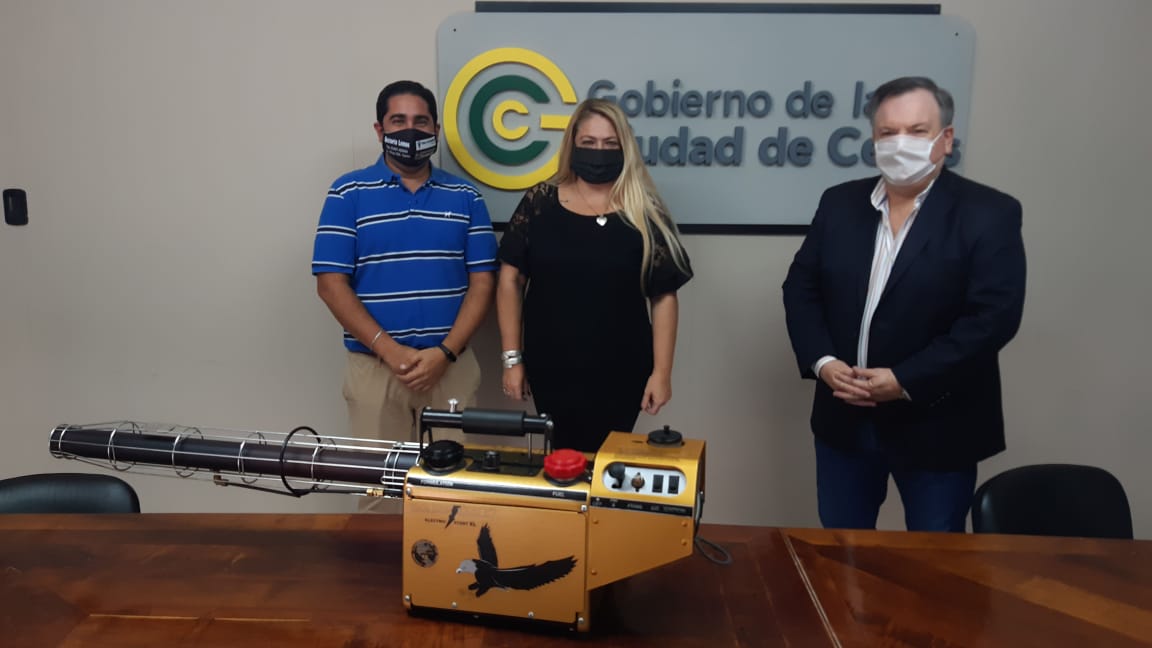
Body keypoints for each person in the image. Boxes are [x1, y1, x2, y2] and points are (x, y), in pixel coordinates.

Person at [781, 77, 1026, 532]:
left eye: (916, 131)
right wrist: (823, 361)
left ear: (945, 139)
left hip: (938, 423)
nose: (900, 143)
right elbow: (801, 287)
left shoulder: (989, 213)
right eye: (888, 132)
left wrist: (904, 380)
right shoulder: (839, 203)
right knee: (841, 552)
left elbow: (992, 319)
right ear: (873, 139)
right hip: (844, 418)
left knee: (933, 561)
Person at [496, 98, 693, 453]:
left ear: (625, 148)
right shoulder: (540, 202)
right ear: (572, 143)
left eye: (609, 144)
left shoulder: (644, 210)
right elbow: (510, 280)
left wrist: (661, 373)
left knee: (607, 464)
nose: (598, 152)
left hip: (622, 370)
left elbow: (664, 296)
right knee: (562, 462)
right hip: (551, 366)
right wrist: (513, 359)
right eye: (589, 142)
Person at [312, 80, 498, 449]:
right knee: (379, 480)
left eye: (420, 121)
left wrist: (445, 353)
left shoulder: (466, 197)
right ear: (380, 130)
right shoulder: (347, 194)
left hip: (451, 369)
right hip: (375, 369)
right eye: (398, 121)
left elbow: (483, 283)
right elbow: (330, 285)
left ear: (435, 130)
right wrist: (390, 351)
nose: (410, 130)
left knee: (451, 479)